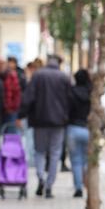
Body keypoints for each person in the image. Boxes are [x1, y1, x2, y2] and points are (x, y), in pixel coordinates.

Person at [19, 55, 71, 198]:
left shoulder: (38, 75)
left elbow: (28, 97)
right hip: (59, 122)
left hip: (40, 120)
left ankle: (41, 177)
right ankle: (49, 185)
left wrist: (21, 114)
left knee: (39, 151)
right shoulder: (64, 77)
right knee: (55, 153)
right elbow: (69, 100)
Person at [67, 69, 92, 199]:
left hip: (73, 129)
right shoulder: (92, 93)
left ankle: (78, 188)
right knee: (88, 161)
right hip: (88, 129)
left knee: (76, 161)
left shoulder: (71, 93)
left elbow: (67, 111)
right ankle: (89, 185)